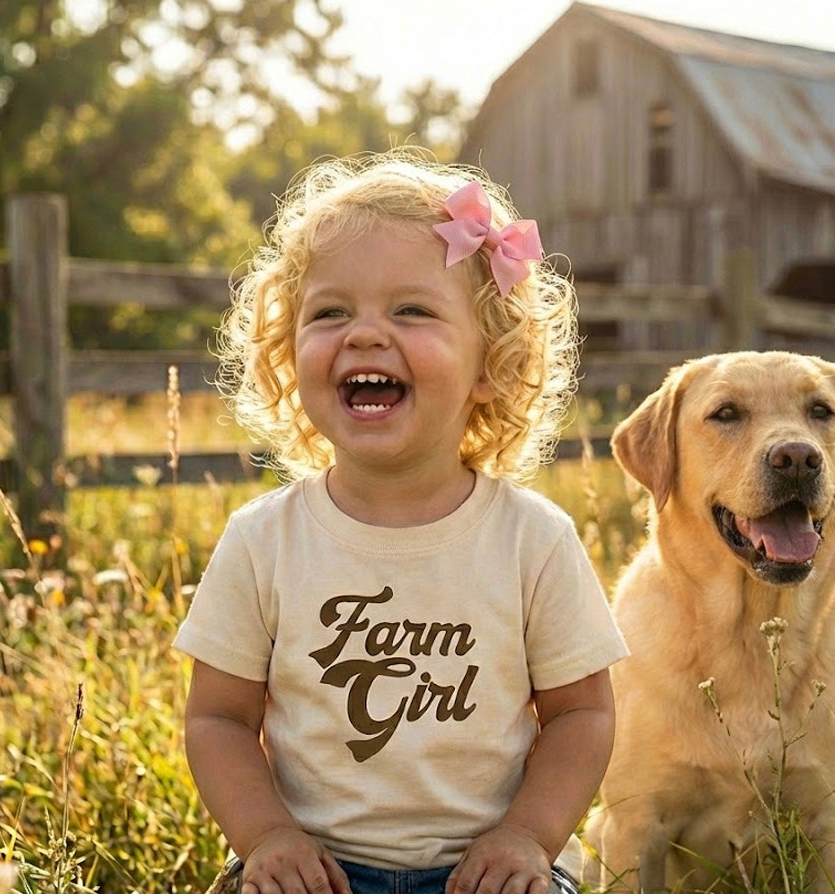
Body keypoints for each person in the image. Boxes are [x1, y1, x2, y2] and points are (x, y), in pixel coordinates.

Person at [173, 148, 628, 894]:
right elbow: (217, 721)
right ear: (290, 354)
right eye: (330, 312)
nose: (364, 334)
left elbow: (583, 716)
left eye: (411, 309)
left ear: (490, 366)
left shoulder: (534, 541)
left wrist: (526, 837)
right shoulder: (263, 542)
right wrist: (267, 838)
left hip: (486, 871)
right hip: (317, 870)